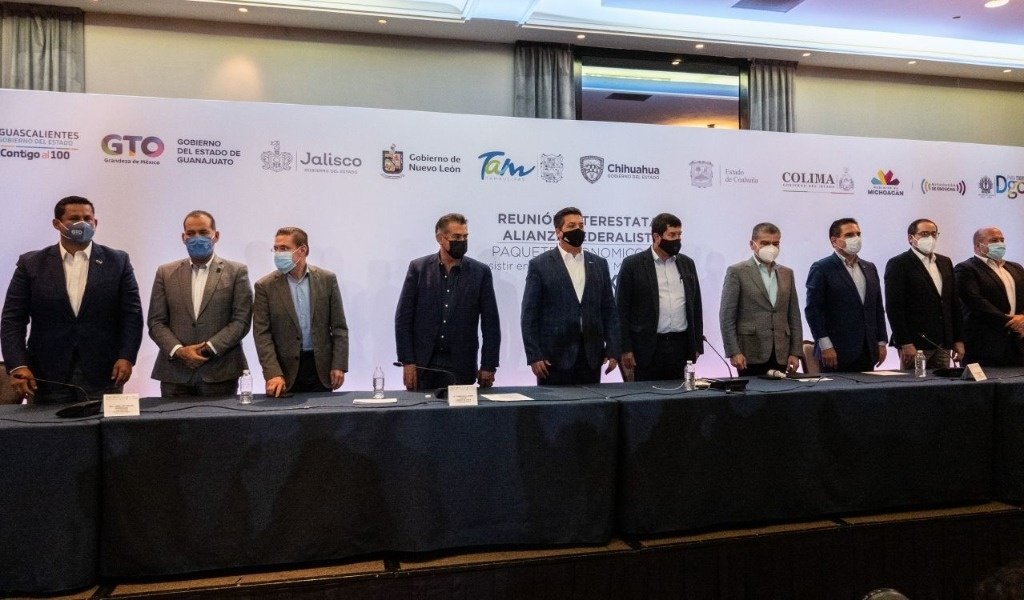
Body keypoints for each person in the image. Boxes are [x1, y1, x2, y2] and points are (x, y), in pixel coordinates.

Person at [0, 196, 143, 403]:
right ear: (57, 224)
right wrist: (18, 365)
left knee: (103, 425)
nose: (82, 223)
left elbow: (132, 315)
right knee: (47, 426)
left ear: (95, 222)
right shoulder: (31, 264)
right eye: (74, 218)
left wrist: (127, 356)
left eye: (87, 218)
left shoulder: (118, 261)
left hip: (105, 373)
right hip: (45, 375)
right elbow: (13, 319)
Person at [148, 210, 253, 397]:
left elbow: (241, 321)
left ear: (216, 236)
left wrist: (207, 349)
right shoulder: (165, 273)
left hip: (220, 372)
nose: (197, 238)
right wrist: (179, 351)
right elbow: (156, 322)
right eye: (191, 233)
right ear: (183, 237)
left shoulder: (236, 272)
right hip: (175, 374)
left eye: (203, 232)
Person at [395, 213, 499, 391]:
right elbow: (403, 319)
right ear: (440, 238)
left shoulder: (480, 272)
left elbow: (491, 323)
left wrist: (489, 365)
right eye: (456, 237)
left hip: (461, 366)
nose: (462, 241)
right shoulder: (418, 268)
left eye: (465, 237)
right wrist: (407, 361)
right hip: (423, 366)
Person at [521, 206, 620, 384]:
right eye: (571, 226)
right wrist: (534, 355)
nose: (578, 230)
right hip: (553, 358)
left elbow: (609, 310)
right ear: (558, 232)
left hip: (591, 357)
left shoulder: (599, 264)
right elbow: (529, 314)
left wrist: (613, 349)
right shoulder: (540, 265)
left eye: (581, 225)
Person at [253, 227, 348, 397]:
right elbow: (262, 335)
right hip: (284, 373)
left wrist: (338, 364)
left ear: (303, 250)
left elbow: (339, 327)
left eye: (284, 248)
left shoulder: (327, 280)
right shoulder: (265, 286)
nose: (278, 254)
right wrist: (272, 372)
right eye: (276, 249)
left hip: (321, 370)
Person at [616, 212, 703, 381]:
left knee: (678, 394)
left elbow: (696, 305)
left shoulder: (687, 263)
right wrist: (625, 348)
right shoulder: (632, 264)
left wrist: (697, 344)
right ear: (657, 237)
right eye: (672, 235)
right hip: (646, 347)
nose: (677, 239)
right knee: (646, 394)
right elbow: (621, 309)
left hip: (680, 346)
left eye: (679, 235)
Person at [719, 222, 803, 376]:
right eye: (765, 243)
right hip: (750, 352)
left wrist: (795, 352)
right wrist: (733, 351)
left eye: (775, 243)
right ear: (752, 244)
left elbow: (794, 316)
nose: (771, 248)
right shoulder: (737, 271)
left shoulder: (787, 273)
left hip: (781, 352)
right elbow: (727, 316)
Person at [805, 217, 888, 372]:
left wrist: (881, 342)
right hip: (835, 352)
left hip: (867, 351)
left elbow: (877, 308)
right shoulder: (822, 268)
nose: (856, 238)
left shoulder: (869, 267)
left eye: (858, 234)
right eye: (849, 235)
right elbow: (813, 311)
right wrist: (825, 345)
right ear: (834, 241)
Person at [884, 219, 964, 369]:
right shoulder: (899, 263)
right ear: (911, 238)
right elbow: (894, 307)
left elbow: (953, 303)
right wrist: (905, 342)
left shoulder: (945, 262)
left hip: (943, 342)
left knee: (943, 382)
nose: (930, 238)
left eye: (934, 234)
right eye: (924, 234)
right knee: (915, 383)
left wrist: (958, 339)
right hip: (915, 344)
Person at [954, 227, 1024, 367]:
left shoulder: (1015, 267)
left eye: (1001, 240)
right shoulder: (966, 268)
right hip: (984, 345)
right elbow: (975, 302)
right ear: (978, 246)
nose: (1000, 244)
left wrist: (1022, 317)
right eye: (994, 240)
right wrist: (1012, 322)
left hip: (1017, 344)